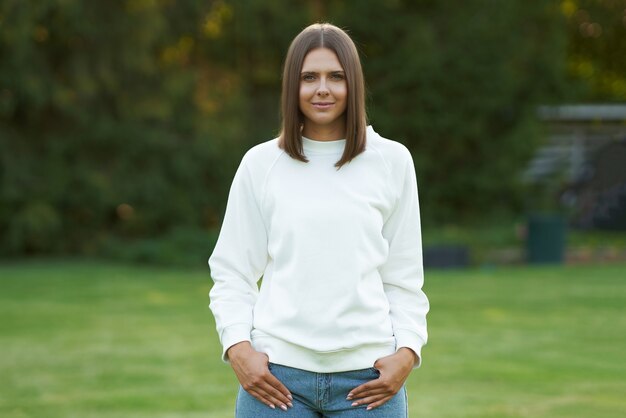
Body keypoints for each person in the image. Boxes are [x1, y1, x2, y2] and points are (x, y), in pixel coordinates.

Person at [209, 22, 429, 417]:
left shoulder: (392, 161)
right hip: (276, 381)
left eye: (336, 77)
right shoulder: (261, 164)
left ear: (354, 84)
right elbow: (232, 272)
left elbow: (404, 278)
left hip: (369, 383)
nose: (322, 88)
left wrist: (408, 351)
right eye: (309, 77)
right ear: (292, 85)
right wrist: (238, 347)